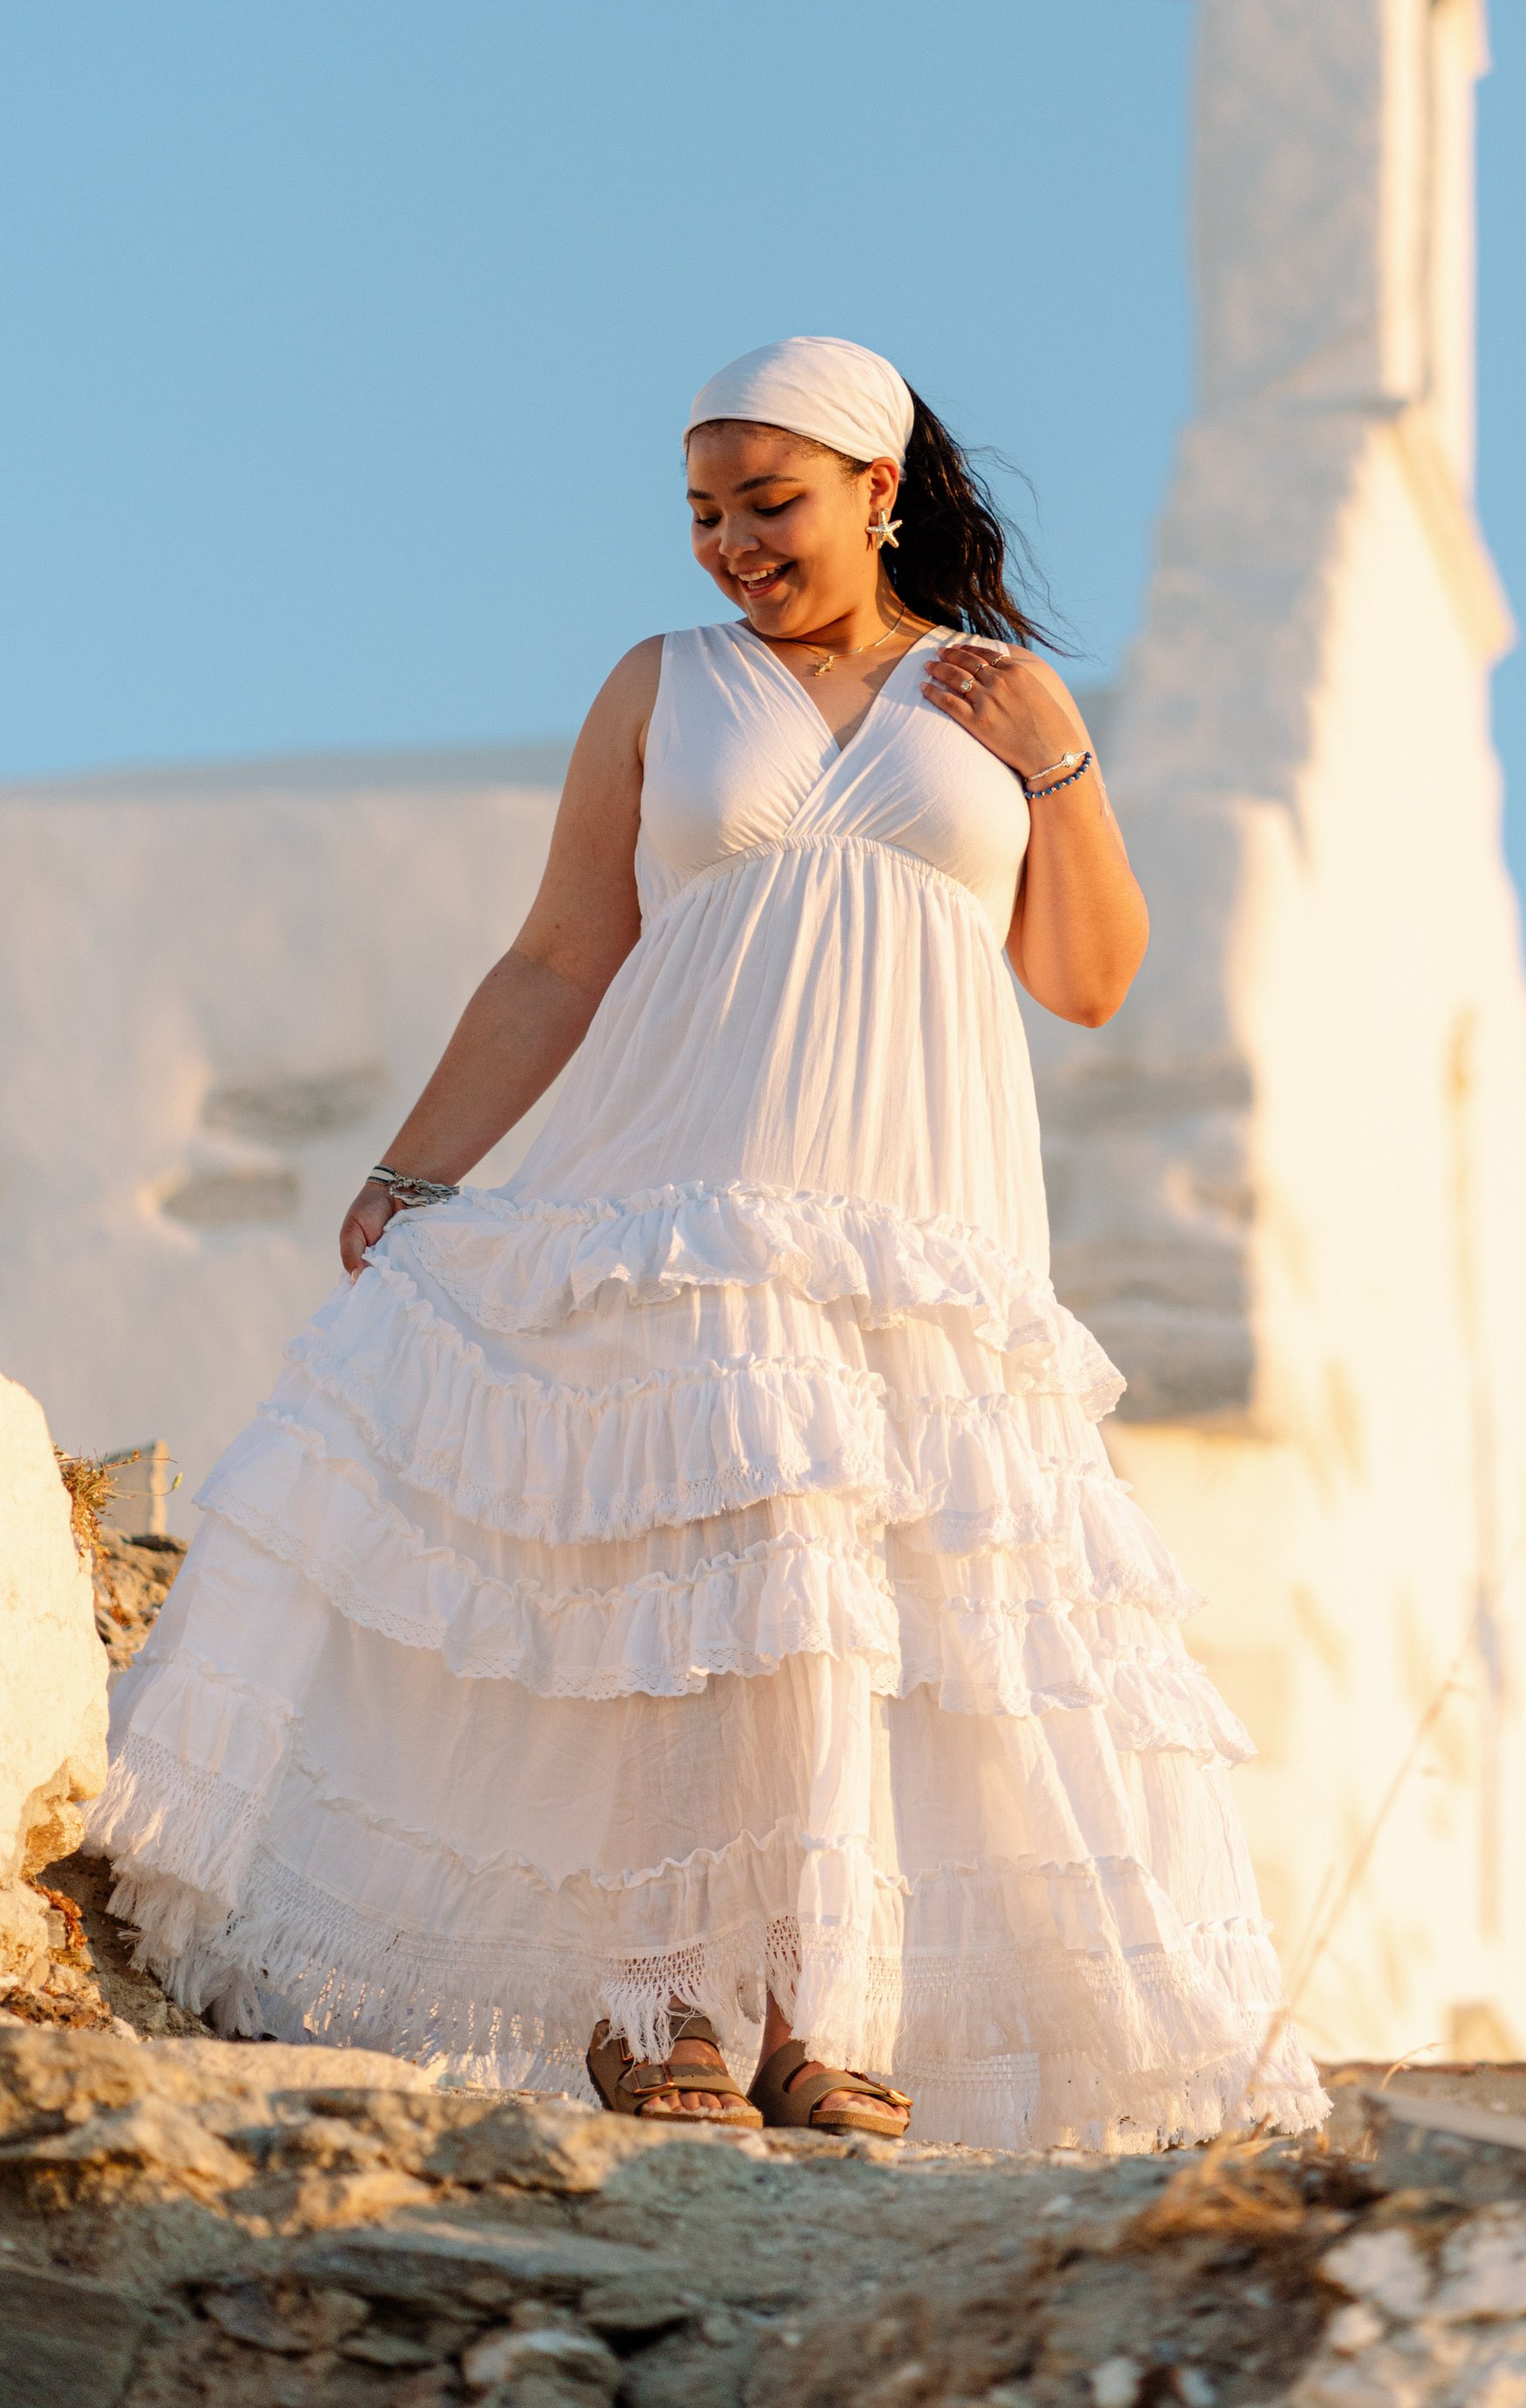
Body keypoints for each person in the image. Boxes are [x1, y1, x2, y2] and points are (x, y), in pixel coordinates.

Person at [93, 336, 1325, 2149]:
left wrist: (1058, 763)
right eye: (701, 512)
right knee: (707, 1567)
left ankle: (816, 2017)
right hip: (681, 1179)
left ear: (877, 489)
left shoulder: (995, 704)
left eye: (769, 504)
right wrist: (417, 1172)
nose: (730, 545)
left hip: (915, 1215)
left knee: (854, 1592)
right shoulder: (665, 685)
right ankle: (659, 2001)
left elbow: (1086, 980)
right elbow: (557, 955)